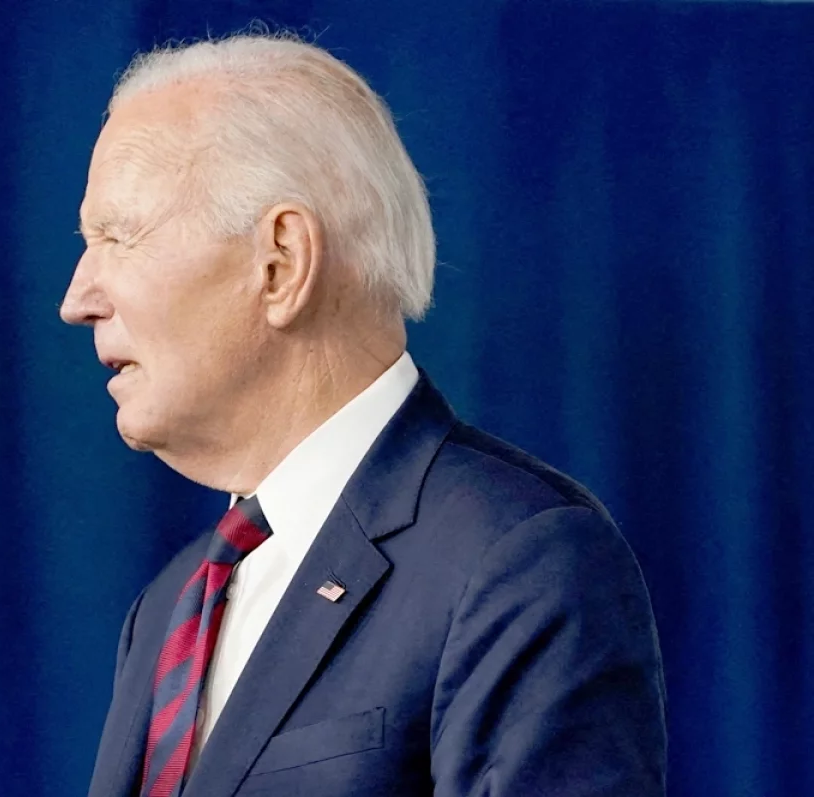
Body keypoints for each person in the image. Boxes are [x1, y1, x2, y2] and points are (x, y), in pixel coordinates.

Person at [60, 33, 666, 797]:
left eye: (117, 236)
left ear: (280, 263)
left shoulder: (520, 562)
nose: (77, 299)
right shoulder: (170, 608)